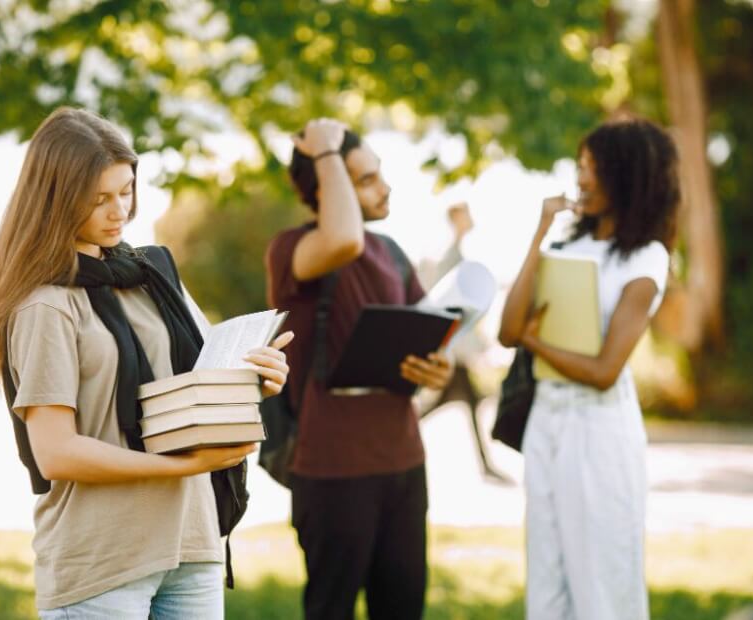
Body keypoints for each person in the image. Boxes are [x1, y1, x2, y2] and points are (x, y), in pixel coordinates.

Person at [0, 107, 292, 619]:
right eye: (99, 199)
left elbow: (201, 384)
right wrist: (180, 466)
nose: (119, 211)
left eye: (125, 191)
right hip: (102, 562)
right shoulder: (45, 304)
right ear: (56, 199)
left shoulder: (152, 275)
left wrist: (259, 380)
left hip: (191, 543)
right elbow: (56, 453)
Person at [265, 118, 453, 620]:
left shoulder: (390, 252)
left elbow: (435, 329)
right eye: (365, 180)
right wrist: (327, 150)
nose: (385, 187)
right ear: (329, 185)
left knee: (403, 609)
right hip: (331, 471)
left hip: (403, 463)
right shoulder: (293, 250)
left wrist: (439, 366)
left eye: (379, 174)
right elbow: (343, 239)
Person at [497, 118, 680, 620]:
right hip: (547, 423)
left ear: (627, 176)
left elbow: (604, 370)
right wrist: (539, 232)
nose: (582, 178)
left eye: (594, 168)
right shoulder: (565, 246)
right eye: (580, 166)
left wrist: (536, 339)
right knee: (548, 575)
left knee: (602, 580)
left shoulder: (645, 259)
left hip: (599, 429)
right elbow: (507, 330)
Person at [417, 202, 511, 483]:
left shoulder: (455, 254)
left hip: (455, 351)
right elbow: (452, 308)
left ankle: (486, 464)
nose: (471, 218)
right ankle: (486, 465)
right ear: (456, 218)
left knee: (463, 403)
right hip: (452, 352)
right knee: (460, 404)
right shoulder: (450, 258)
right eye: (466, 213)